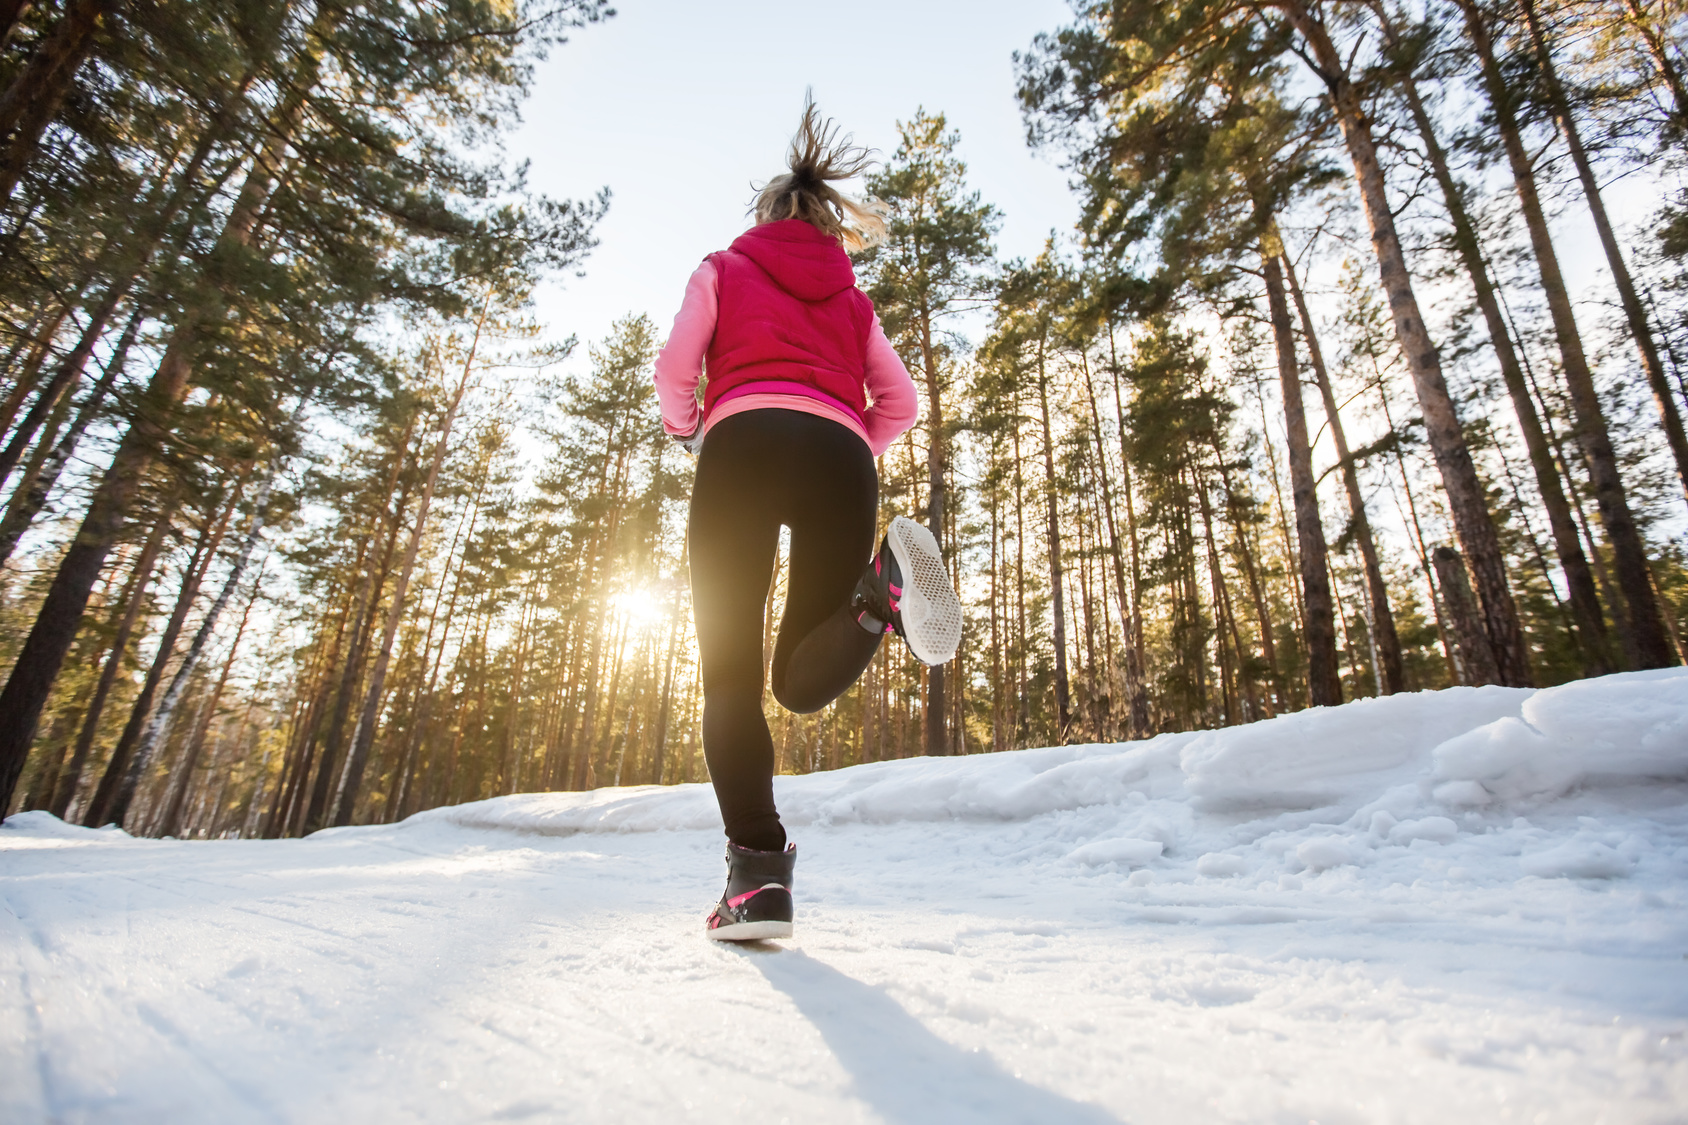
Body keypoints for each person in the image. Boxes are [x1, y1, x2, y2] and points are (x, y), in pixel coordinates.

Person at [653, 101, 963, 941]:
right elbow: (900, 401)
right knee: (799, 680)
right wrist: (850, 437)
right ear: (827, 228)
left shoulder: (724, 267)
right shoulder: (852, 303)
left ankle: (756, 877)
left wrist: (691, 425)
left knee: (732, 679)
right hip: (840, 457)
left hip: (743, 447)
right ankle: (881, 594)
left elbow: (675, 367)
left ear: (766, 218)